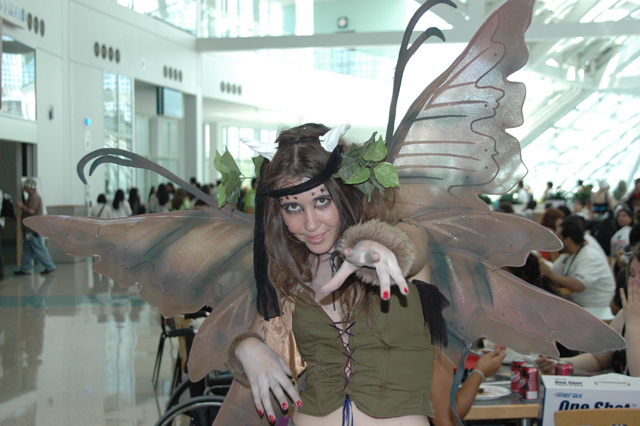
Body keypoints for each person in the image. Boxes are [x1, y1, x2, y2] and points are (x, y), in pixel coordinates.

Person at [228, 124, 445, 426]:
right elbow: (258, 350)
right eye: (293, 207)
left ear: (346, 193)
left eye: (322, 201)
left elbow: (409, 248)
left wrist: (379, 245)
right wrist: (245, 347)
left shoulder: (401, 239)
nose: (310, 223)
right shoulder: (289, 277)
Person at [537, 251, 640, 377]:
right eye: (632, 274)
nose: (634, 282)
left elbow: (637, 377)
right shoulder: (625, 315)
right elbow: (599, 360)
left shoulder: (632, 319)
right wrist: (560, 364)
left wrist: (634, 325)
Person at [536, 215, 615, 308]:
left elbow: (578, 285)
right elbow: (553, 270)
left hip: (597, 309)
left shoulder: (590, 256)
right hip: (579, 305)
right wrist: (538, 260)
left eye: (558, 238)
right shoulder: (568, 255)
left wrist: (550, 274)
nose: (555, 242)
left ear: (567, 241)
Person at [15, 178, 56, 276]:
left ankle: (49, 266)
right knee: (27, 250)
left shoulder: (34, 197)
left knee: (38, 248)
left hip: (32, 229)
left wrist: (21, 206)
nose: (24, 189)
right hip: (29, 228)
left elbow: (31, 211)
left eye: (25, 187)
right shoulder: (32, 196)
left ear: (30, 188)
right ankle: (25, 269)